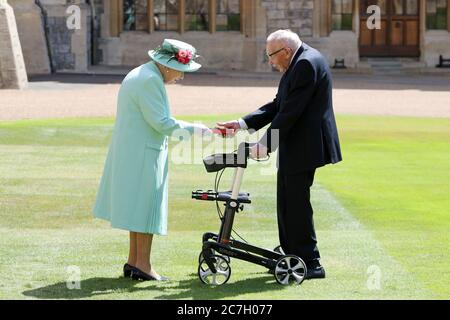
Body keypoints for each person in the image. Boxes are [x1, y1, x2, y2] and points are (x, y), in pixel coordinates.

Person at [217, 29, 342, 279]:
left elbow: (290, 113)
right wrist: (242, 123)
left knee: (296, 204)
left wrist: (265, 144)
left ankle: (310, 262)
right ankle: (292, 252)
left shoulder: (305, 64)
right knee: (286, 201)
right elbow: (278, 105)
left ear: (285, 51)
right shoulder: (297, 62)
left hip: (306, 145)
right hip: (296, 144)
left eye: (271, 56)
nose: (270, 62)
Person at [93, 39, 212, 281]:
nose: (181, 76)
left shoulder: (141, 73)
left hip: (134, 151)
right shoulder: (149, 80)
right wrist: (197, 129)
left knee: (138, 208)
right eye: (181, 71)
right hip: (144, 153)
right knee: (146, 209)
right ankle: (143, 265)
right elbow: (161, 123)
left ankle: (134, 261)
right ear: (167, 65)